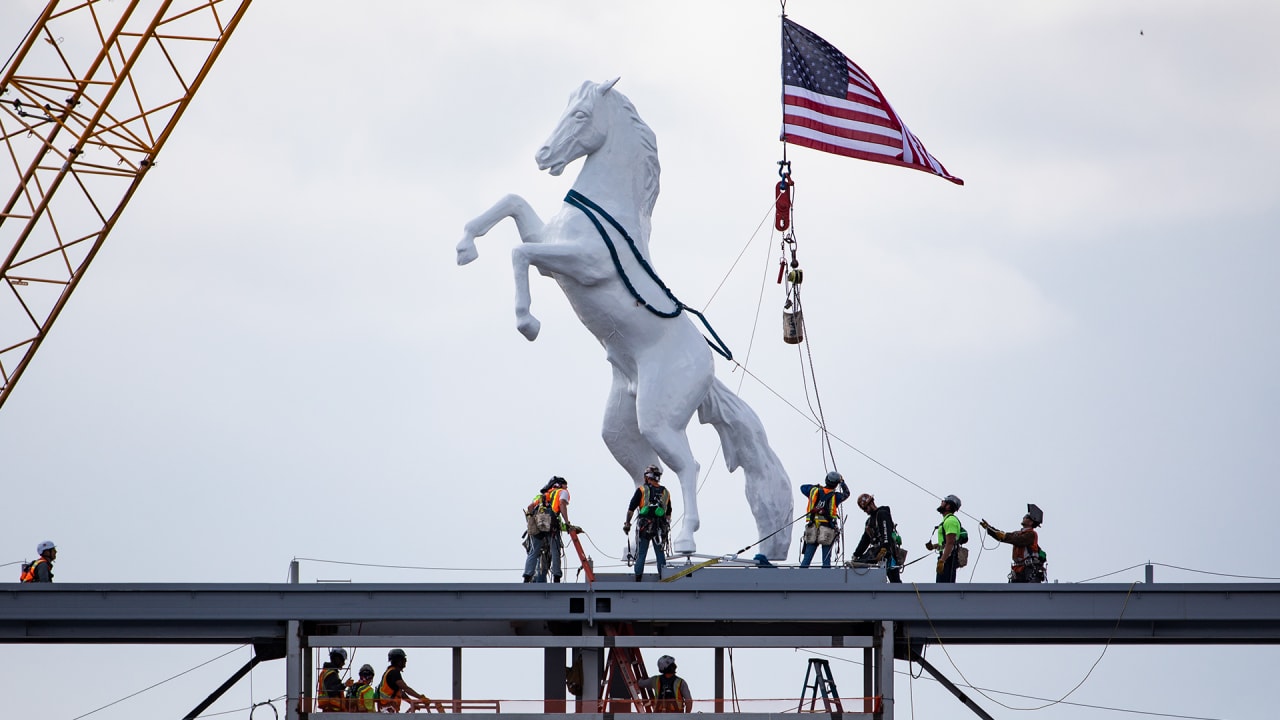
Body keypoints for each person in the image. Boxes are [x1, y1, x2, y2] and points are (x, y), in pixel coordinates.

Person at [624, 465, 672, 581]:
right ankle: (663, 578)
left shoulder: (642, 490)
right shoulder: (665, 492)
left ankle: (638, 579)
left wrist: (627, 524)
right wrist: (665, 527)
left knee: (641, 554)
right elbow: (668, 513)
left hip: (644, 528)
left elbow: (631, 509)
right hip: (659, 529)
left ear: (647, 477)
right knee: (660, 555)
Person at [981, 504, 1047, 583]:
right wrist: (989, 528)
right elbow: (1004, 536)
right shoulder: (1019, 533)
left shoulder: (1031, 534)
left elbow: (1018, 540)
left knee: (1029, 591)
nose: (1023, 517)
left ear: (1031, 522)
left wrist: (1004, 536)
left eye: (1026, 517)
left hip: (1029, 569)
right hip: (1019, 569)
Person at [523, 476, 571, 583]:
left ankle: (527, 577)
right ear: (559, 484)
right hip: (552, 525)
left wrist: (531, 522)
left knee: (533, 551)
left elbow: (530, 508)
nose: (567, 487)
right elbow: (562, 504)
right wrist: (567, 522)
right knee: (555, 551)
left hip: (538, 523)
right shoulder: (562, 492)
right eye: (565, 485)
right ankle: (557, 577)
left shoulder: (542, 496)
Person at [798, 471, 849, 568]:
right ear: (836, 484)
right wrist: (842, 482)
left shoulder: (813, 491)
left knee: (807, 559)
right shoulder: (836, 496)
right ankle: (827, 580)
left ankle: (799, 578)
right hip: (827, 529)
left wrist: (816, 487)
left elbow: (802, 487)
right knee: (826, 561)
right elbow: (847, 493)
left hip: (812, 527)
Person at [852, 494, 903, 583]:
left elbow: (886, 532)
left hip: (887, 551)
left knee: (894, 580)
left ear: (871, 503)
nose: (865, 511)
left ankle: (900, 594)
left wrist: (884, 549)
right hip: (876, 550)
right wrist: (856, 554)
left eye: (865, 508)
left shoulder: (882, 514)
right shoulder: (869, 521)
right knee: (858, 564)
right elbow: (865, 540)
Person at [925, 494, 964, 583]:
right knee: (941, 589)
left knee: (944, 589)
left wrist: (942, 560)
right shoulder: (947, 520)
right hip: (946, 558)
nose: (941, 502)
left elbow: (950, 543)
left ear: (948, 506)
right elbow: (946, 543)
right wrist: (934, 546)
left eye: (944, 502)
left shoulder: (951, 521)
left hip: (948, 559)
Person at [378, 648, 430, 713]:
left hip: (388, 708)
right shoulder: (394, 673)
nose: (406, 661)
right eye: (404, 659)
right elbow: (405, 688)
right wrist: (420, 697)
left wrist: (412, 703)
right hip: (388, 709)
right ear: (398, 661)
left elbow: (401, 693)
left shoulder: (389, 672)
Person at [316, 647, 347, 712]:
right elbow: (331, 691)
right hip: (332, 709)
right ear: (337, 659)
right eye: (343, 660)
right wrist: (344, 685)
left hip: (329, 709)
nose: (343, 663)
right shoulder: (331, 673)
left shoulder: (326, 672)